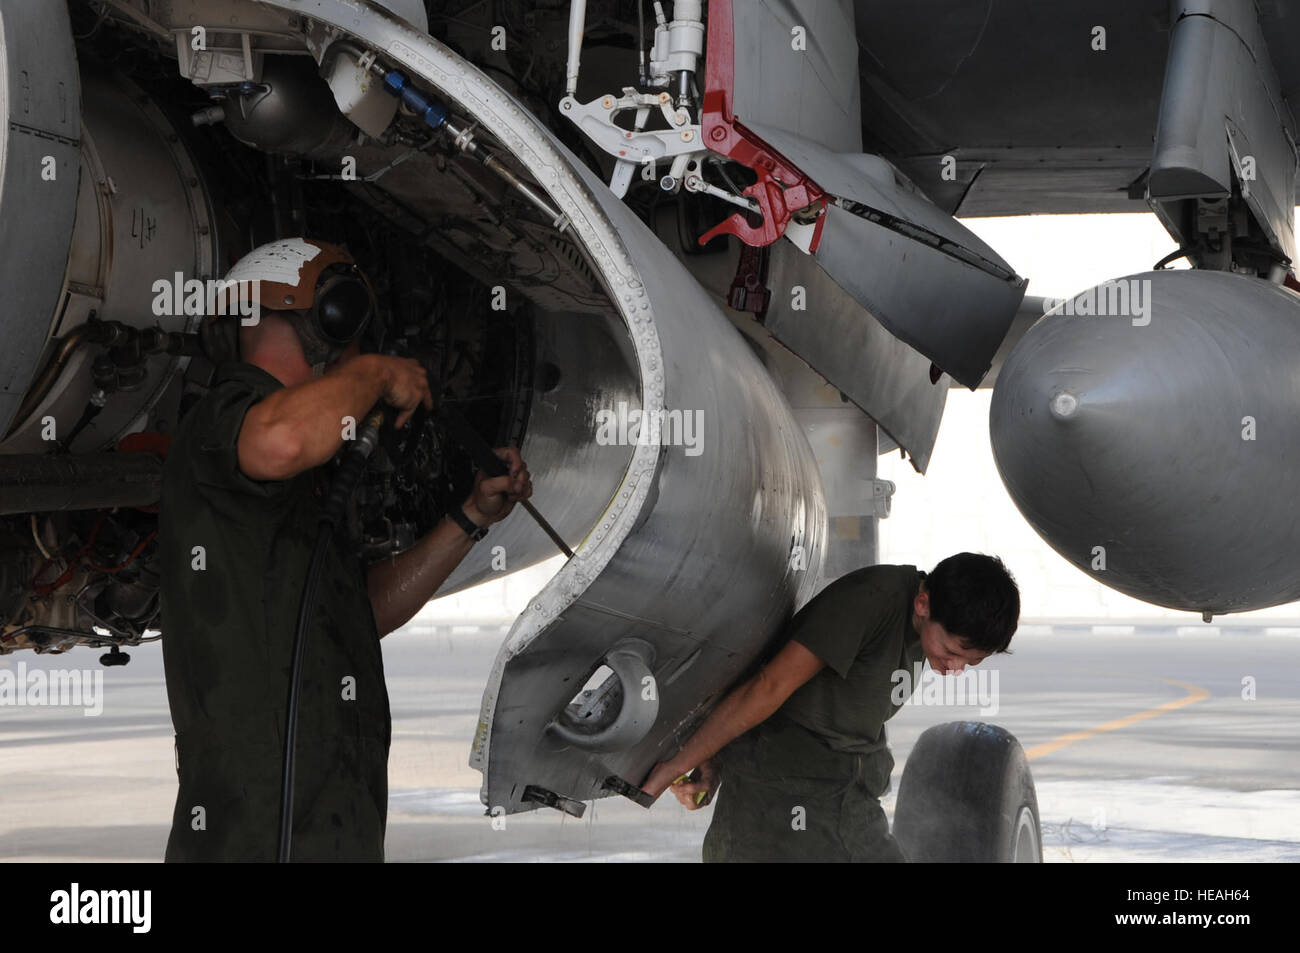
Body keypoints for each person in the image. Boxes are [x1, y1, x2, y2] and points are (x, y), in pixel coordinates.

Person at [158, 238, 532, 861]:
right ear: (334, 318)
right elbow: (278, 440)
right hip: (261, 835)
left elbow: (357, 611)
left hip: (330, 825)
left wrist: (469, 519)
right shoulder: (228, 419)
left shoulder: (305, 477)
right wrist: (378, 372)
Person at [641, 553, 1020, 862]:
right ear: (924, 603)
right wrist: (680, 762)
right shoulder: (872, 601)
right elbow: (768, 686)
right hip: (783, 801)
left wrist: (714, 761)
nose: (954, 669)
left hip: (842, 797)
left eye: (969, 664)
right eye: (952, 653)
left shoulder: (922, 622)